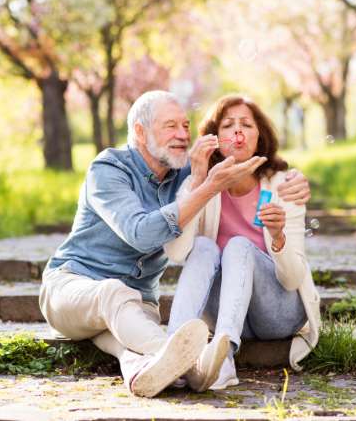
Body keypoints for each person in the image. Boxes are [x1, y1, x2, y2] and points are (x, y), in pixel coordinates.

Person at [39, 90, 311, 397]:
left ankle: (148, 376)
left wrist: (295, 178)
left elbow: (223, 167)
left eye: (185, 126)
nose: (183, 135)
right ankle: (191, 361)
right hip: (72, 287)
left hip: (138, 305)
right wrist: (205, 186)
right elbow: (141, 234)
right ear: (140, 132)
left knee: (129, 351)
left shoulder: (185, 172)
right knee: (113, 294)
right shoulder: (109, 169)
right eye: (171, 126)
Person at [164, 95, 321, 392]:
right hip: (226, 309)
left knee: (238, 246)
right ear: (214, 139)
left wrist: (278, 238)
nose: (238, 131)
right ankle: (174, 354)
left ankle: (223, 359)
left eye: (246, 124)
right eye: (228, 125)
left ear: (258, 137)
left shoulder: (284, 185)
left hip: (276, 312)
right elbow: (176, 251)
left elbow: (292, 279)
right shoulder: (199, 184)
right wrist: (198, 181)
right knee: (203, 246)